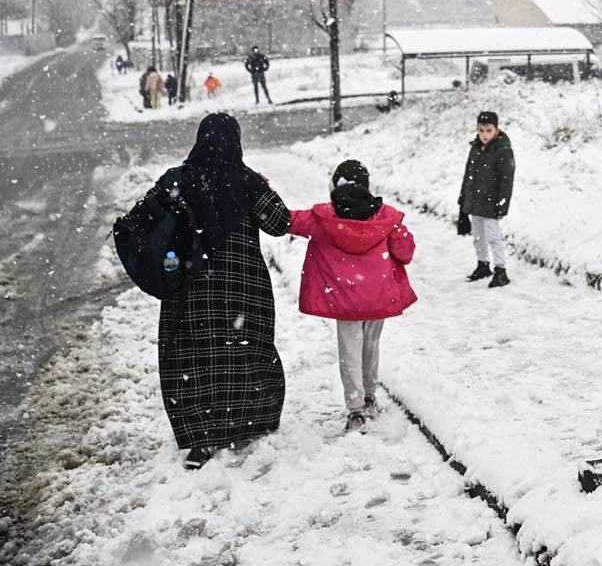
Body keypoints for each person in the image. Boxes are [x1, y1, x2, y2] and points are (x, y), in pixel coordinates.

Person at [122, 113, 292, 470]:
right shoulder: (247, 182)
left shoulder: (176, 180)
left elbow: (139, 222)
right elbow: (280, 223)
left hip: (189, 287)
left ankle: (200, 436)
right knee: (245, 351)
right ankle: (246, 421)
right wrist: (266, 188)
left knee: (194, 358)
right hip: (242, 286)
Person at [287, 160, 418, 433]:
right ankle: (370, 396)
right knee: (371, 347)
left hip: (345, 300)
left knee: (350, 352)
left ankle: (356, 410)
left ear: (335, 185)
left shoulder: (323, 218)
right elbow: (405, 252)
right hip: (377, 297)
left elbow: (288, 221)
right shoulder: (386, 218)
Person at [458, 111, 515, 288]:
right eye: (481, 130)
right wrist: (463, 199)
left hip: (491, 203)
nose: (484, 134)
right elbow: (468, 175)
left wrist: (502, 205)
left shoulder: (503, 151)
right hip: (475, 202)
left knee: (493, 237)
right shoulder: (475, 148)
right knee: (477, 237)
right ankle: (483, 265)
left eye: (488, 130)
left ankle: (501, 270)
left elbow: (507, 181)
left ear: (496, 130)